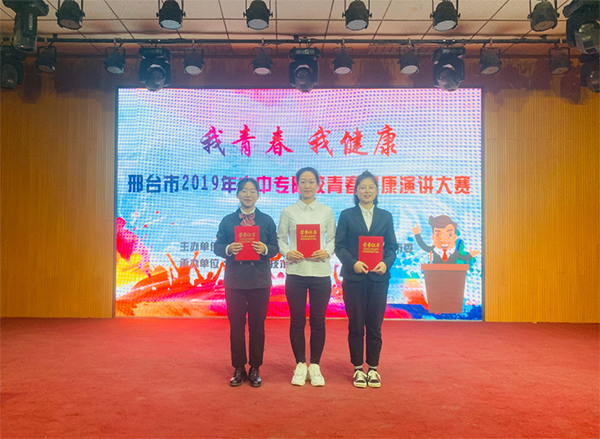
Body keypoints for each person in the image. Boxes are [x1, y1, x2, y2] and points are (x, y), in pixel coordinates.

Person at [335, 171, 398, 388]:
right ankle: (357, 369)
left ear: (377, 191)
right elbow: (340, 246)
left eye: (371, 187)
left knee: (374, 325)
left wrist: (386, 263)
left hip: (378, 278)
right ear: (355, 191)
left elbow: (392, 247)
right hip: (354, 277)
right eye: (362, 187)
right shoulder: (346, 215)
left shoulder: (385, 216)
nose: (367, 191)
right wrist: (352, 262)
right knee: (355, 324)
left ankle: (372, 368)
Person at [215, 178, 279, 387]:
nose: (248, 194)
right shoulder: (228, 221)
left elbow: (275, 247)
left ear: (258, 195)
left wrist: (265, 249)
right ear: (237, 194)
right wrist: (228, 249)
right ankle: (238, 367)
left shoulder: (266, 220)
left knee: (257, 326)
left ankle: (255, 368)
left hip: (260, 281)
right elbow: (217, 247)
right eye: (244, 191)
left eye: (252, 191)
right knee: (236, 326)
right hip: (235, 281)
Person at [277, 167, 336, 387]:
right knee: (297, 321)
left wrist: (327, 251)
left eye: (311, 181)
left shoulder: (326, 211)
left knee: (318, 321)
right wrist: (287, 252)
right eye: (303, 181)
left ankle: (316, 365)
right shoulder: (289, 211)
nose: (307, 185)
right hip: (296, 272)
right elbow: (280, 238)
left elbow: (333, 239)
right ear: (297, 184)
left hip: (320, 272)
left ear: (318, 184)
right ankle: (300, 364)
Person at [413, 215, 480, 263]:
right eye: (438, 235)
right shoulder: (433, 250)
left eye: (449, 235)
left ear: (454, 237)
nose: (443, 240)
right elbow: (423, 246)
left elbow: (463, 257)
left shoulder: (454, 252)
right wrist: (417, 234)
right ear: (433, 237)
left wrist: (471, 254)